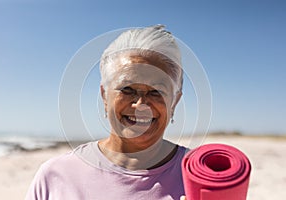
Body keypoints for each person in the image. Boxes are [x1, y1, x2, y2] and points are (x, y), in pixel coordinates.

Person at [25, 25, 189, 200]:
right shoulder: (55, 176)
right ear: (104, 96)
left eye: (156, 91)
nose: (141, 105)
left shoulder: (206, 174)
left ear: (174, 101)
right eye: (127, 89)